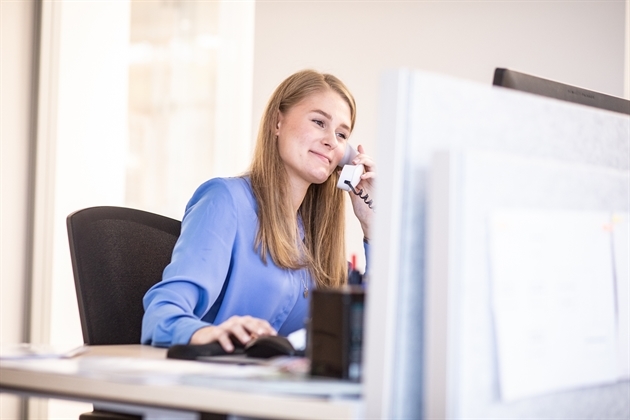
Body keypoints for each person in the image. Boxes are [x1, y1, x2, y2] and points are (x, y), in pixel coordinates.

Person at [141, 69, 375, 351]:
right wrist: (208, 334)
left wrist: (372, 227)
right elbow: (161, 315)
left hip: (273, 391)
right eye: (318, 122)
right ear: (278, 122)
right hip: (208, 385)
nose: (331, 141)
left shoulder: (314, 240)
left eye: (341, 134)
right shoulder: (225, 201)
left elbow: (369, 327)